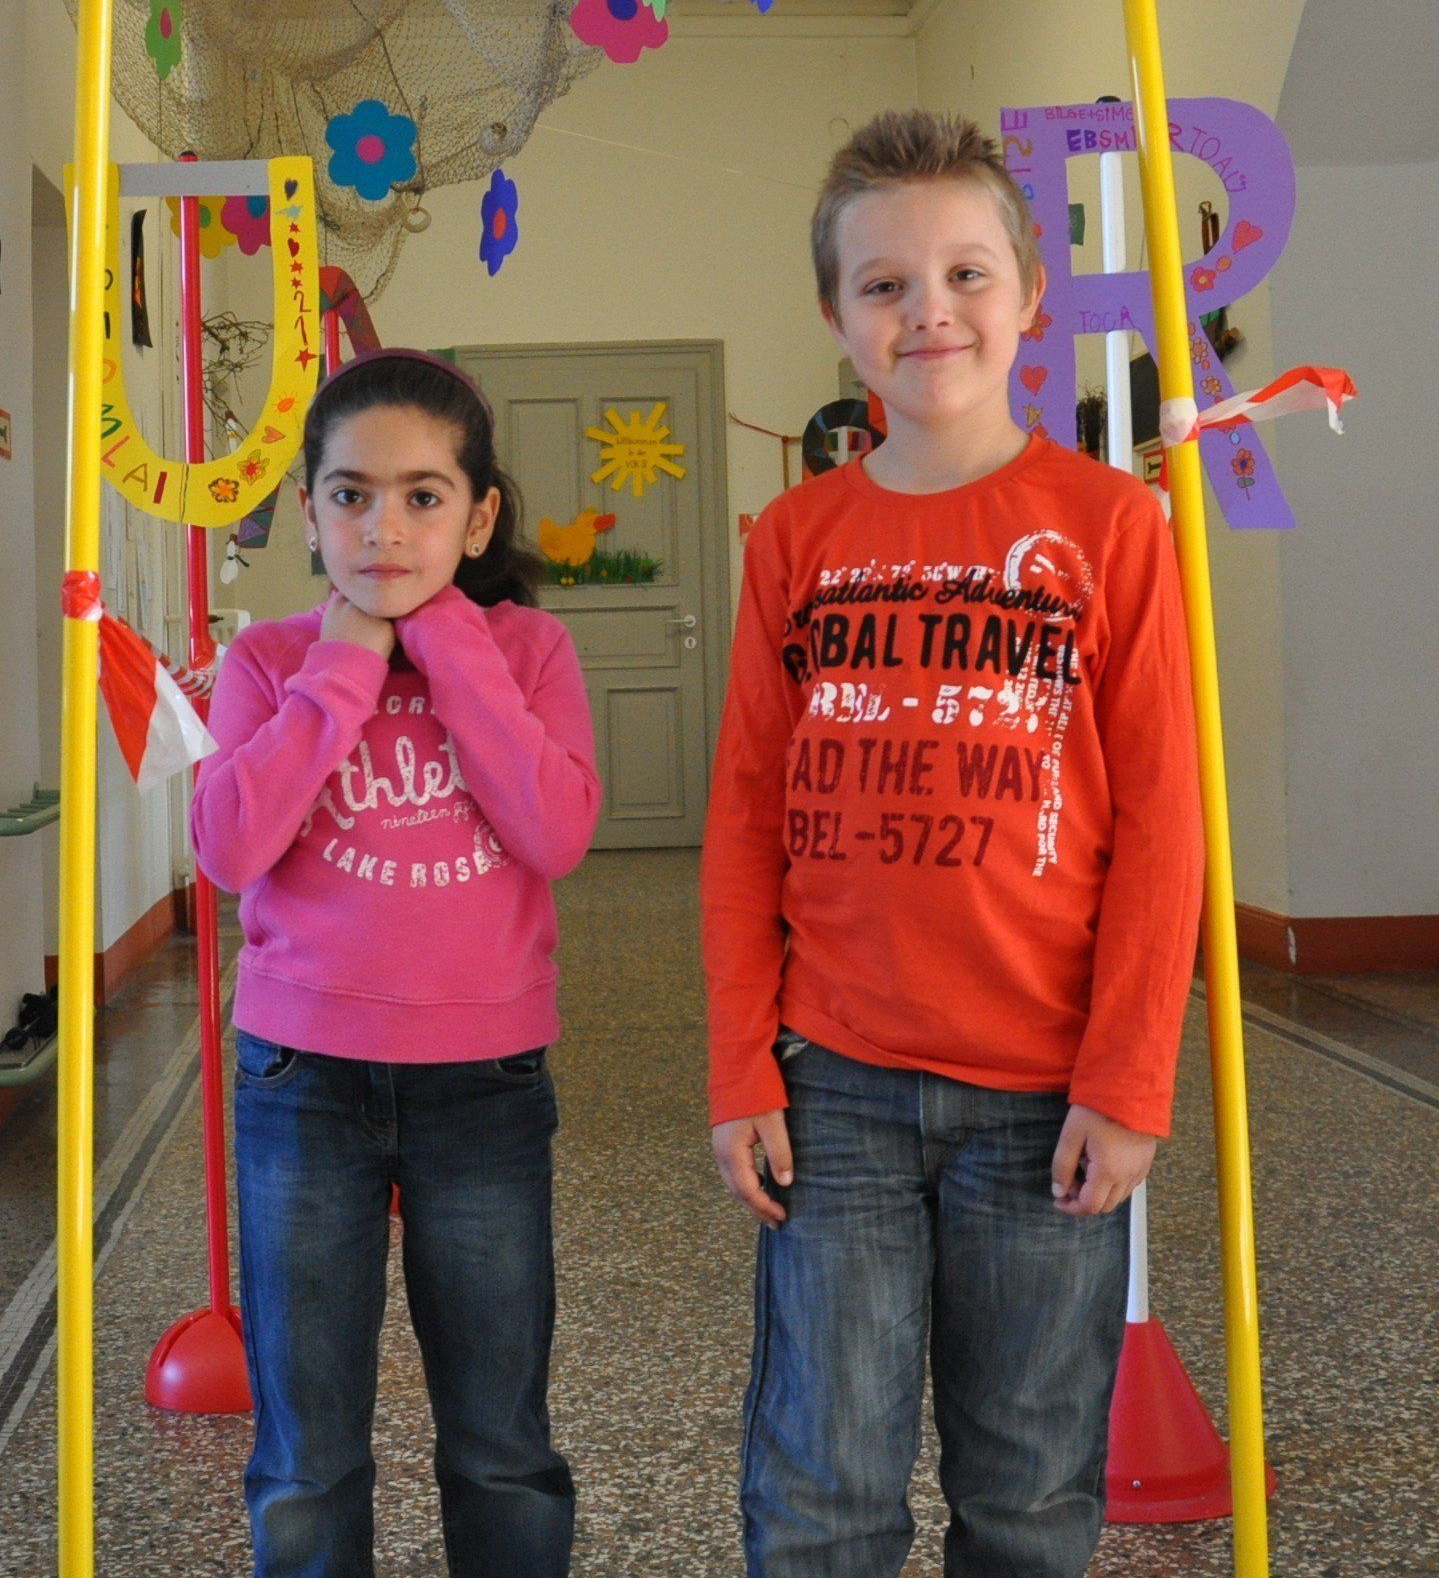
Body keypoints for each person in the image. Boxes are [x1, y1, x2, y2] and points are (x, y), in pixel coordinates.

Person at [702, 109, 1206, 1576]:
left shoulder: (1114, 528)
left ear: (1031, 294)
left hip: (1046, 1098)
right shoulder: (794, 539)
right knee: (823, 1488)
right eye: (885, 284)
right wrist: (740, 1063)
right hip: (834, 1085)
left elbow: (1165, 825)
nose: (930, 312)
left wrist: (1129, 1078)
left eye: (967, 274)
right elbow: (743, 819)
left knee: (1030, 1493)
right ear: (835, 316)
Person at [192, 348, 601, 1578]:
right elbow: (229, 847)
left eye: (424, 496)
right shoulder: (270, 661)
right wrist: (346, 662)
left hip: (484, 1082)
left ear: (477, 518)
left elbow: (555, 832)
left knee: (499, 1438)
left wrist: (450, 646)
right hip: (301, 1078)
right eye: (351, 494)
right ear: (308, 509)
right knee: (307, 1451)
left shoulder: (529, 651)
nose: (384, 528)